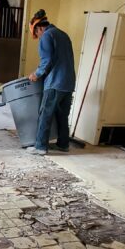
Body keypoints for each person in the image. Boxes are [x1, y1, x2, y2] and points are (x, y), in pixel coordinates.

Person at [27, 9, 76, 155]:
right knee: (62, 115)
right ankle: (63, 144)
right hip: (68, 82)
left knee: (45, 113)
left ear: (39, 28)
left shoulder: (47, 35)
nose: (38, 37)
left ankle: (40, 147)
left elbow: (46, 60)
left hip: (55, 82)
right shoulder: (63, 34)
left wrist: (36, 74)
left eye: (36, 34)